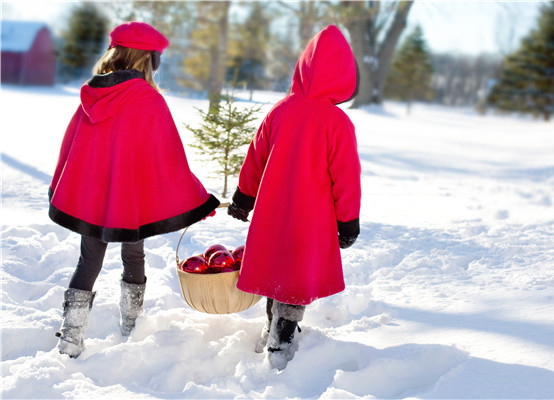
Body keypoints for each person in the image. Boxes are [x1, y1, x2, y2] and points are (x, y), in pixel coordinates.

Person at [49, 21, 220, 358]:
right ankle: (131, 324)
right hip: (131, 198)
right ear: (147, 60)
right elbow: (169, 160)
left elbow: (71, 150)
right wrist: (195, 199)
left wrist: (61, 186)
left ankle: (71, 338)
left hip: (94, 200)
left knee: (89, 260)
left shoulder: (92, 94)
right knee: (134, 253)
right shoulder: (148, 100)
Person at [227, 25, 361, 370]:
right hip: (310, 218)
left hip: (272, 213)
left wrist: (244, 197)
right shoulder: (337, 122)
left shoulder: (280, 110)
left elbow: (255, 157)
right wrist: (347, 221)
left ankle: (273, 328)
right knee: (295, 280)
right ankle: (280, 343)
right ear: (346, 76)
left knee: (277, 272)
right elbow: (346, 179)